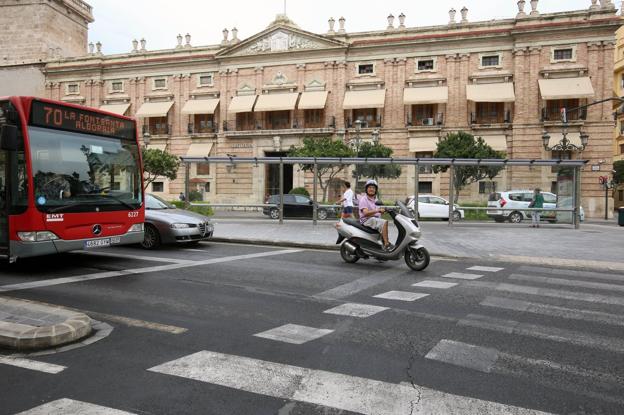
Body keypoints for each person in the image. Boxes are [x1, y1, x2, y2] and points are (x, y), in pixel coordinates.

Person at [358, 179, 393, 251]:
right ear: (366, 189)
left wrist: (383, 211)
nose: (371, 189)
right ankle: (387, 244)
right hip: (366, 219)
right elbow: (366, 213)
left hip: (373, 219)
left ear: (376, 190)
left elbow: (377, 210)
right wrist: (377, 210)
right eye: (370, 187)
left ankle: (380, 247)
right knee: (384, 222)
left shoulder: (375, 199)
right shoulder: (363, 199)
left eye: (373, 188)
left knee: (382, 224)